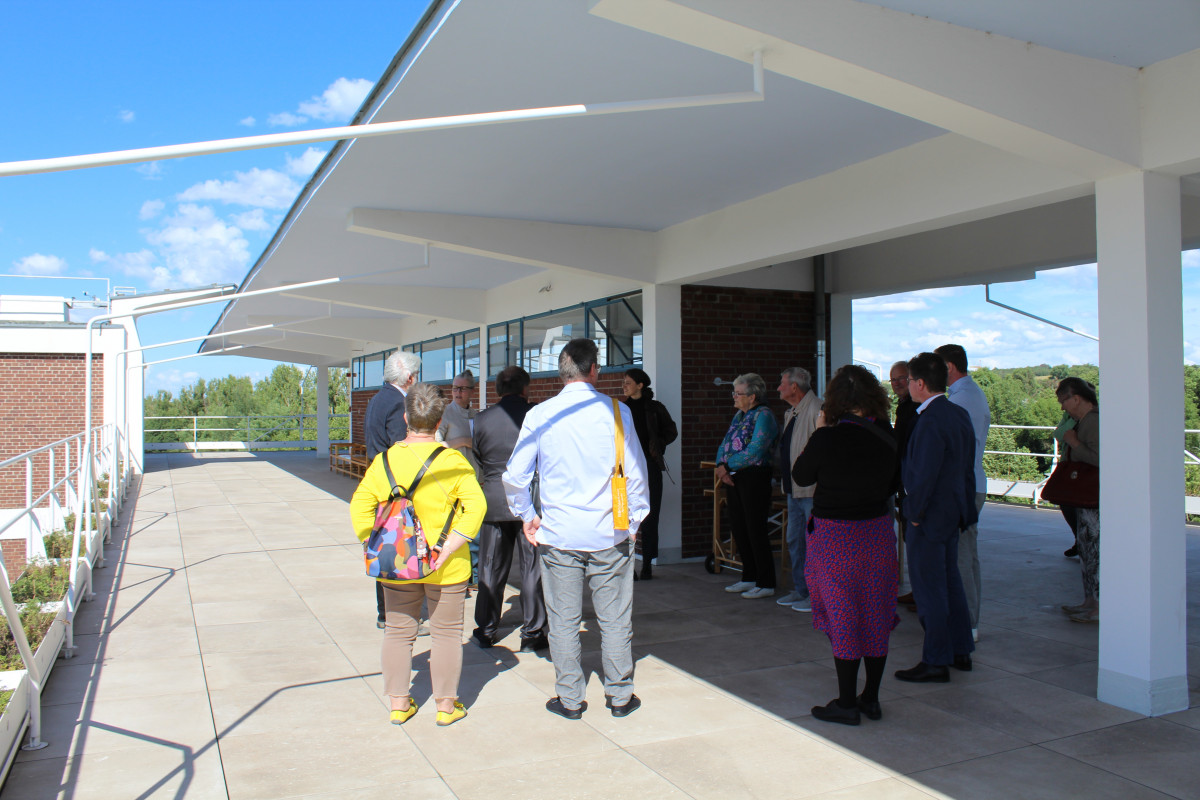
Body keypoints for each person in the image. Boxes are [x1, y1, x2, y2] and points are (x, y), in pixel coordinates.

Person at [503, 339, 650, 720]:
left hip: (560, 534)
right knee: (615, 618)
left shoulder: (540, 415)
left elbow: (516, 477)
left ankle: (570, 698)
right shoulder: (618, 412)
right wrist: (634, 523)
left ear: (561, 371)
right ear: (594, 370)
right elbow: (636, 475)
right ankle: (620, 695)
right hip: (610, 533)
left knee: (564, 620)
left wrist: (527, 516)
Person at [350, 383, 485, 727]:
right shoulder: (453, 461)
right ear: (439, 420)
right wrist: (450, 545)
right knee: (446, 635)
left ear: (407, 417)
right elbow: (475, 507)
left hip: (397, 563)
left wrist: (376, 542)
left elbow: (360, 507)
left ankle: (398, 703)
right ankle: (445, 706)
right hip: (446, 565)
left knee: (397, 631)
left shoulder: (384, 461)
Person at [793, 365, 899, 724]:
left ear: (835, 399)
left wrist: (820, 432)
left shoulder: (828, 437)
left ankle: (846, 702)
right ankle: (871, 698)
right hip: (877, 534)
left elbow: (801, 475)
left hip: (835, 537)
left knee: (843, 616)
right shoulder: (886, 434)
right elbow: (894, 484)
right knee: (875, 614)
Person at [894, 352, 976, 683]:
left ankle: (936, 659)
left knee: (929, 590)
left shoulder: (928, 419)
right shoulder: (958, 413)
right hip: (951, 513)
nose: (908, 387)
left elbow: (922, 475)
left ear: (921, 384)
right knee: (950, 583)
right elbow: (966, 468)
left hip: (928, 517)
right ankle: (960, 649)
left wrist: (914, 515)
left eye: (910, 381)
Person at [471, 366, 548, 651]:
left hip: (493, 496)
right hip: (530, 497)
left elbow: (479, 456)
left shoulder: (481, 420)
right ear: (525, 389)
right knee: (531, 568)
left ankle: (487, 629)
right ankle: (532, 632)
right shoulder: (537, 415)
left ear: (496, 390)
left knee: (490, 566)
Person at [935, 343, 990, 642]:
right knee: (966, 556)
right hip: (970, 483)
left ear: (950, 368)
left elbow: (956, 448)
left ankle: (967, 624)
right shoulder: (967, 395)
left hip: (964, 486)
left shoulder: (964, 399)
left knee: (961, 558)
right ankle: (968, 621)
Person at [363, 350, 421, 629]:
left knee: (384, 549)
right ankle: (398, 616)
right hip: (395, 489)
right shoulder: (399, 403)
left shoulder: (377, 399)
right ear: (409, 377)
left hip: (378, 483)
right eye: (416, 376)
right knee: (400, 550)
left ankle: (384, 613)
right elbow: (402, 447)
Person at [715, 373, 780, 599]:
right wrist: (720, 465)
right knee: (739, 526)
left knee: (755, 527)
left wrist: (727, 466)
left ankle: (766, 581)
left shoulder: (764, 415)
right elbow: (725, 443)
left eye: (738, 393)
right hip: (735, 476)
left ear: (752, 396)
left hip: (755, 477)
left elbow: (756, 449)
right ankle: (749, 576)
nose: (734, 396)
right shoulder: (739, 416)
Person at [621, 367, 678, 581]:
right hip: (626, 470)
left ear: (640, 385)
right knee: (626, 517)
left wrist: (659, 444)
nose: (624, 385)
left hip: (650, 467)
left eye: (628, 382)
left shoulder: (654, 408)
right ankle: (629, 565)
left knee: (650, 515)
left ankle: (647, 565)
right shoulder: (622, 409)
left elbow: (671, 431)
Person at [775, 367, 821, 612]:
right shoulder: (791, 412)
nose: (779, 387)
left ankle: (816, 596)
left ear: (794, 386)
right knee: (795, 540)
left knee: (813, 542)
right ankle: (802, 590)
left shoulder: (816, 409)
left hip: (811, 491)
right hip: (793, 489)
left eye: (782, 383)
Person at [1055, 377, 1100, 623]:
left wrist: (1073, 442)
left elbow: (1098, 457)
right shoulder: (1084, 420)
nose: (1063, 407)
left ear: (1076, 398)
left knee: (1093, 550)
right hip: (1085, 499)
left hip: (1092, 497)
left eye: (1064, 400)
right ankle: (1089, 602)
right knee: (1086, 549)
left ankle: (1096, 605)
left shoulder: (1093, 421)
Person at [439, 369, 480, 582]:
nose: (457, 392)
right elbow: (436, 445)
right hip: (452, 482)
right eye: (454, 388)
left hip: (474, 480)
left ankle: (474, 575)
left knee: (475, 530)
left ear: (472, 391)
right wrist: (462, 440)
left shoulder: (477, 415)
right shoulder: (445, 414)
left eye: (462, 388)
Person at [890, 360, 919, 608]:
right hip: (904, 481)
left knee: (917, 540)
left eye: (902, 378)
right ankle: (918, 590)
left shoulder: (915, 408)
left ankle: (923, 594)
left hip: (912, 484)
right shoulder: (904, 406)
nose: (897, 383)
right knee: (910, 539)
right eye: (893, 380)